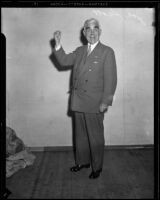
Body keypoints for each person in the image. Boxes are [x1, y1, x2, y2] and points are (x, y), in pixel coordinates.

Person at [51, 18, 117, 179]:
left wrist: (105, 102)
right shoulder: (80, 50)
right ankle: (83, 162)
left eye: (95, 29)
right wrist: (58, 44)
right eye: (88, 29)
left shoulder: (107, 51)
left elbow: (111, 79)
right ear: (84, 32)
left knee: (95, 138)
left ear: (100, 32)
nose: (92, 32)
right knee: (80, 135)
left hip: (95, 103)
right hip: (78, 100)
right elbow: (64, 60)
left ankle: (97, 167)